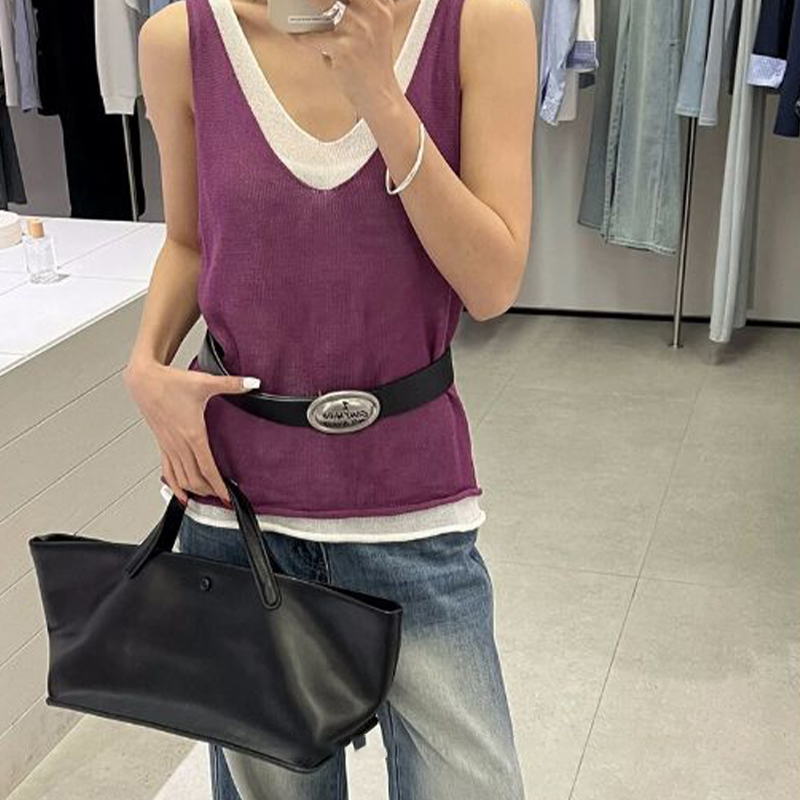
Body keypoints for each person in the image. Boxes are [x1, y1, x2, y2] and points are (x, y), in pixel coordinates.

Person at [124, 0, 537, 797]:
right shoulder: (181, 40)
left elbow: (492, 285)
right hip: (239, 514)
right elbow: (188, 241)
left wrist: (381, 96)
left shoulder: (479, 22)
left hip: (411, 506)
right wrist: (145, 365)